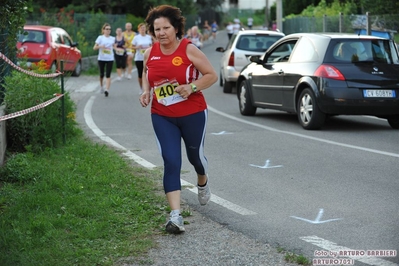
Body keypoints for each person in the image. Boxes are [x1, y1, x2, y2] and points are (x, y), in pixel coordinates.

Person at [140, 4, 217, 234]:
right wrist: (146, 91)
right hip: (162, 115)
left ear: (176, 28)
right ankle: (175, 215)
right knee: (171, 161)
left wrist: (191, 87)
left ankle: (202, 181)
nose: (161, 33)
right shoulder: (149, 52)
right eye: (157, 29)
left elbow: (211, 75)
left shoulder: (189, 49)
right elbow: (146, 73)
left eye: (166, 28)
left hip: (193, 113)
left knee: (196, 158)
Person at [93, 23, 115, 97]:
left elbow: (115, 47)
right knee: (102, 74)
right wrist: (100, 46)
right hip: (101, 58)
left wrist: (119, 49)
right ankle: (101, 86)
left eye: (109, 29)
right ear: (103, 30)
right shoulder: (100, 38)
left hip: (110, 58)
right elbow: (94, 48)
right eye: (107, 29)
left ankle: (107, 89)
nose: (108, 30)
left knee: (108, 74)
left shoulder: (113, 38)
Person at [132, 23, 153, 94]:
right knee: (140, 74)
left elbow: (152, 47)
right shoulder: (136, 37)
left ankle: (147, 88)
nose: (143, 29)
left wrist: (149, 48)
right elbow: (132, 47)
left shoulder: (148, 37)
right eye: (141, 28)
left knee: (148, 73)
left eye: (144, 28)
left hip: (148, 58)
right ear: (139, 29)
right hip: (139, 58)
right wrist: (137, 47)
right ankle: (141, 87)